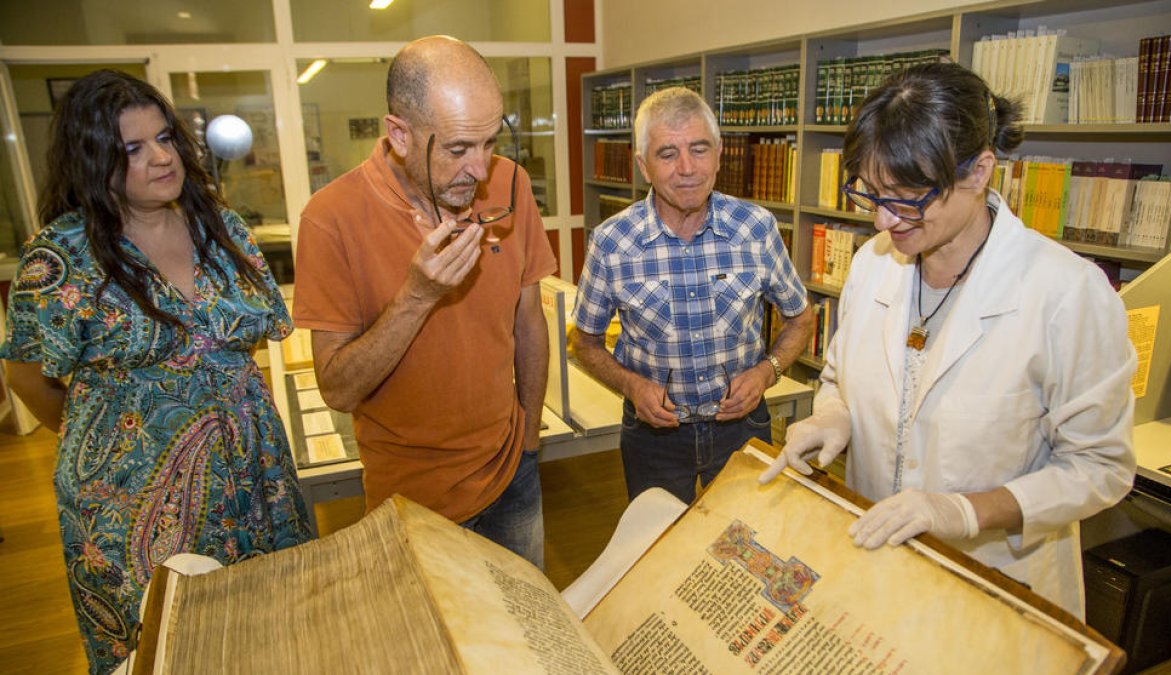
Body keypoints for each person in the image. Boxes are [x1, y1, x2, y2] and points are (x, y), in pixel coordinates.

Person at [760, 62, 1136, 619]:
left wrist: (964, 512)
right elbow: (840, 377)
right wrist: (833, 418)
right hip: (880, 565)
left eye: (909, 197)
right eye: (871, 193)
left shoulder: (1066, 292)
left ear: (980, 171)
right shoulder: (871, 266)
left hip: (997, 584)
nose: (885, 220)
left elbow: (1100, 467)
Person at [0, 70, 313, 673]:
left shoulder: (222, 228)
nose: (163, 157)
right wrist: (103, 441)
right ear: (93, 161)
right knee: (164, 648)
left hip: (256, 482)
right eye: (133, 149)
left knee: (269, 633)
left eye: (165, 138)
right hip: (130, 502)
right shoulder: (62, 257)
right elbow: (25, 375)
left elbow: (249, 347)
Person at [292, 36, 556, 567]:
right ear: (399, 134)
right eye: (459, 149)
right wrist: (417, 296)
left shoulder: (511, 183)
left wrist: (528, 440)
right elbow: (338, 388)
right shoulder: (330, 218)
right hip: (409, 501)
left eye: (490, 142)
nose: (480, 171)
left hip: (513, 473)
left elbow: (529, 321)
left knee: (523, 642)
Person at [572, 87, 812, 505]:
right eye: (667, 154)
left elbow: (801, 317)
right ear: (643, 165)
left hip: (742, 429)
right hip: (654, 439)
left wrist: (766, 372)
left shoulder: (756, 229)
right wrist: (631, 386)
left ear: (719, 155)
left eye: (699, 149)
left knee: (746, 547)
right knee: (659, 554)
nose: (687, 168)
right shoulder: (612, 242)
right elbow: (585, 342)